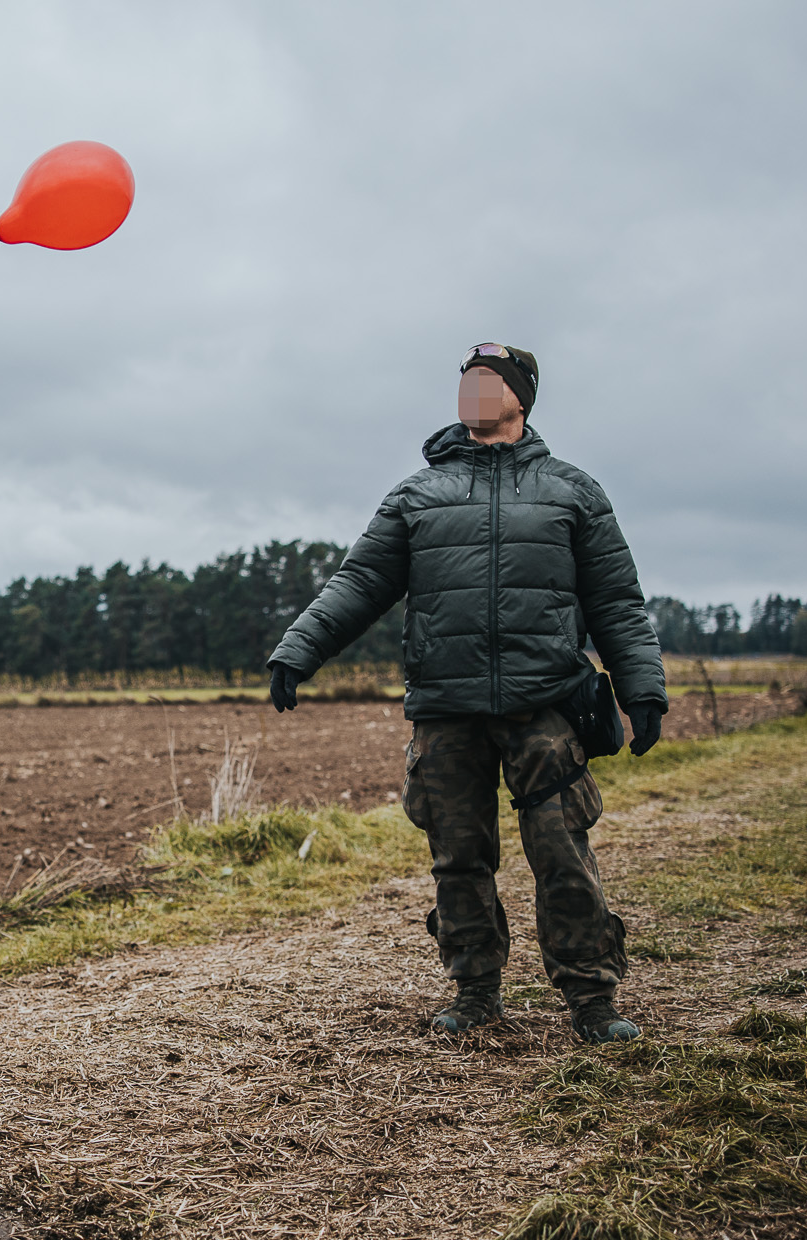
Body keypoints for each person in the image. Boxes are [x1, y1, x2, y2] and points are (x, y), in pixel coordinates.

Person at [266, 343, 667, 1044]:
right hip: (446, 709)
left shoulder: (572, 491)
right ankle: (476, 992)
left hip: (545, 704)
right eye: (467, 381)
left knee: (562, 853)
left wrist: (643, 691)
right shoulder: (417, 495)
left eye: (489, 380)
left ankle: (592, 999)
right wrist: (298, 650)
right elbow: (357, 583)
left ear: (521, 397)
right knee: (458, 858)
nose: (473, 391)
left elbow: (617, 602)